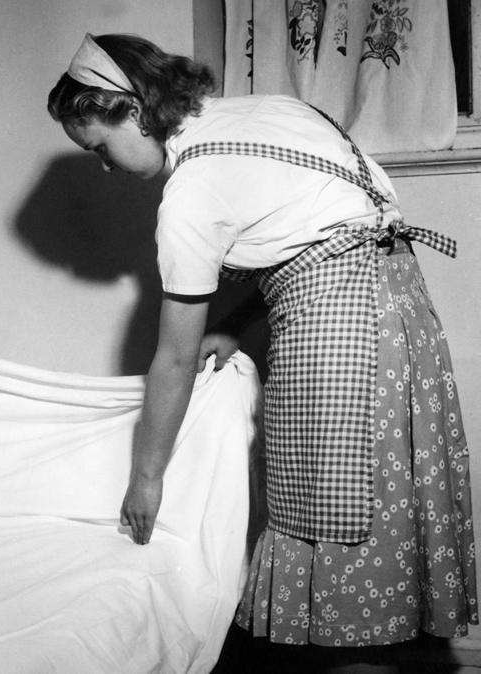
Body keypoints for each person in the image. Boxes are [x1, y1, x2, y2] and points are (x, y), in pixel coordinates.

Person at [47, 32, 477, 662]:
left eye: (102, 149)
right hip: (401, 313)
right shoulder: (271, 109)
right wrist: (239, 316)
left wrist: (145, 480)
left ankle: (355, 656)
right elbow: (318, 233)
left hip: (340, 335)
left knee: (334, 516)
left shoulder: (189, 192)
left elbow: (172, 359)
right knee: (387, 512)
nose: (106, 167)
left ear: (134, 111)